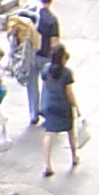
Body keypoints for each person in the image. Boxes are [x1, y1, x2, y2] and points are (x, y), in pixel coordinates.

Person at [38, 41, 79, 177]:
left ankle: (47, 164)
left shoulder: (45, 70)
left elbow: (45, 86)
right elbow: (69, 92)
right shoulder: (66, 73)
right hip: (63, 104)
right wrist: (76, 106)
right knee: (70, 131)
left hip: (50, 104)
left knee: (49, 133)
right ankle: (74, 157)